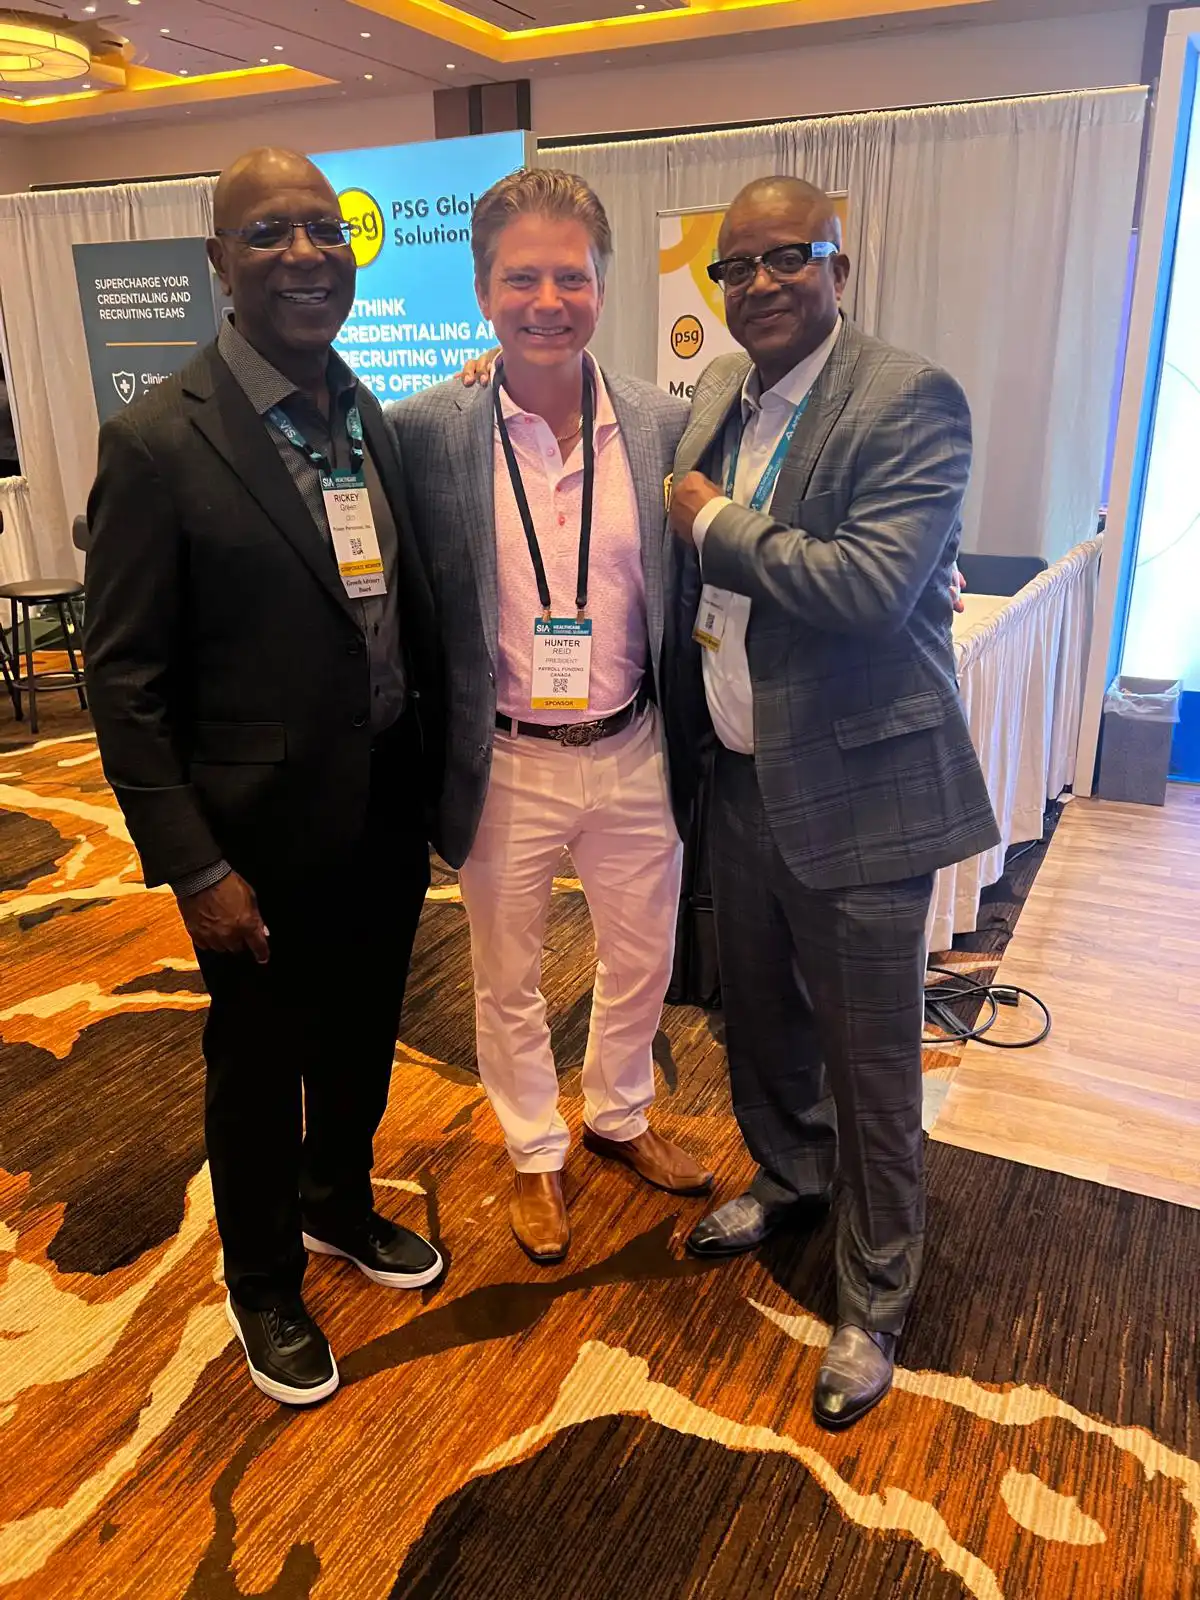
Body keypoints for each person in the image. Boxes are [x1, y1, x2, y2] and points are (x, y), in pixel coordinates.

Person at [83, 148, 445, 1408]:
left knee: (363, 1034)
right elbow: (123, 681)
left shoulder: (364, 412)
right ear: (217, 262)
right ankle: (263, 1281)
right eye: (269, 233)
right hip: (253, 838)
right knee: (258, 1063)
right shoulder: (155, 442)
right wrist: (195, 866)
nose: (305, 255)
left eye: (324, 232)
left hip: (382, 804)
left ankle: (336, 1199)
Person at [667, 177, 1000, 1430]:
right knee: (759, 1020)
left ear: (838, 268)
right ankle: (790, 1174)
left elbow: (866, 586)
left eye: (786, 257)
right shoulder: (721, 390)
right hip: (741, 773)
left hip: (859, 785)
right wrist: (506, 376)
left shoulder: (908, 396)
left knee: (873, 1062)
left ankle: (875, 1294)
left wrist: (714, 522)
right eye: (735, 266)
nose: (758, 283)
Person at [390, 169, 711, 1265]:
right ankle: (533, 1147)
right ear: (483, 290)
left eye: (570, 277)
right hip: (505, 758)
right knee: (507, 974)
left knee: (644, 954)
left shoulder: (664, 423)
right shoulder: (428, 431)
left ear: (603, 285)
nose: (547, 301)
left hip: (633, 744)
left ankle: (619, 1115)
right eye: (520, 278)